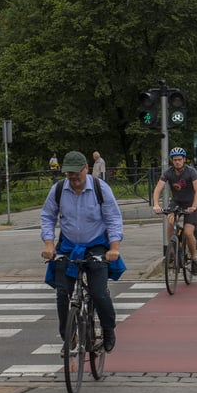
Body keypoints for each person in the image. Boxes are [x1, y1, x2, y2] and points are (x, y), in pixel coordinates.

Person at [40, 151, 125, 353]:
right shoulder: (59, 189)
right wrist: (49, 244)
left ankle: (108, 328)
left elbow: (113, 219)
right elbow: (48, 216)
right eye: (69, 174)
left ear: (86, 169)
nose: (73, 178)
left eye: (76, 173)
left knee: (98, 292)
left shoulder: (99, 188)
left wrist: (114, 248)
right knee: (62, 293)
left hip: (96, 245)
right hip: (68, 246)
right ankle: (68, 337)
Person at [152, 147, 197, 275]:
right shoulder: (168, 172)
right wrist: (156, 204)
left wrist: (194, 206)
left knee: (188, 232)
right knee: (170, 224)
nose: (177, 162)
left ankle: (194, 258)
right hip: (176, 203)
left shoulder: (191, 172)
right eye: (175, 160)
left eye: (180, 159)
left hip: (191, 203)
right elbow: (158, 189)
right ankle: (173, 254)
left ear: (184, 160)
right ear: (172, 161)